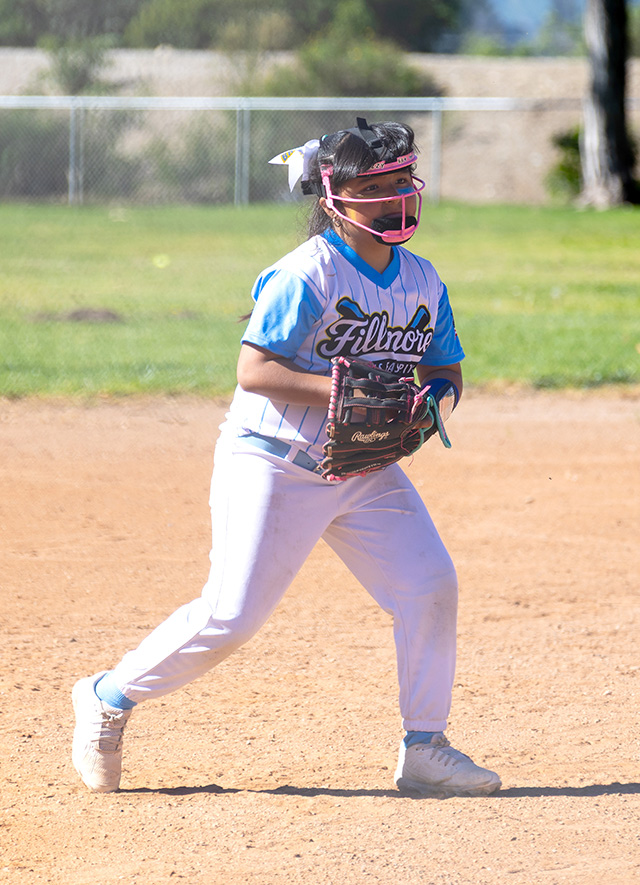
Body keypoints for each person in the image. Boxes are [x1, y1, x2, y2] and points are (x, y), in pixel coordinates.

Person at [72, 118, 501, 798]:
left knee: (429, 584)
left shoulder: (422, 279)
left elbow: (445, 369)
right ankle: (107, 696)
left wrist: (430, 406)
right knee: (230, 616)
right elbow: (255, 370)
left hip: (365, 466)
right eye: (375, 188)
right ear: (334, 196)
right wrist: (349, 392)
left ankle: (425, 747)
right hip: (274, 461)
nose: (394, 197)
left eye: (401, 182)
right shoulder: (307, 274)